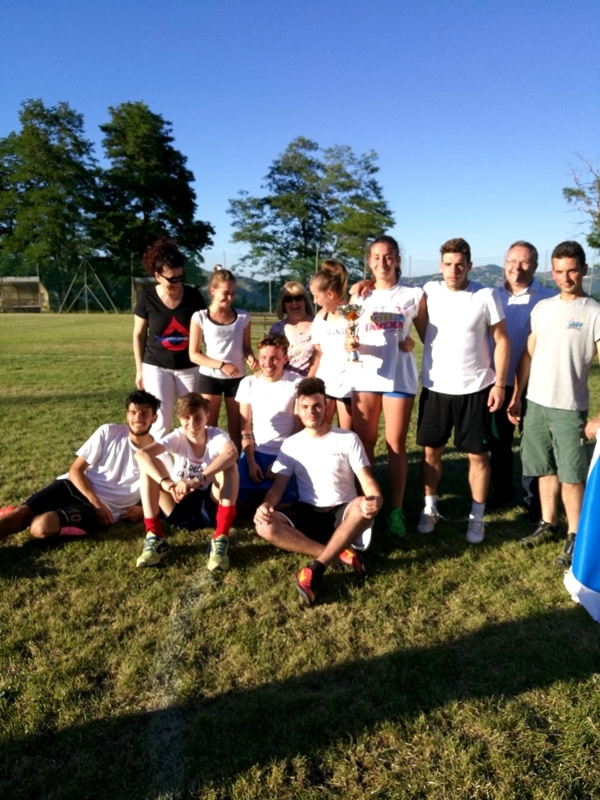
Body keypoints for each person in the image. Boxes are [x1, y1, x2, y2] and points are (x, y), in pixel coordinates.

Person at [507, 241, 600, 566]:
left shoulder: (594, 312)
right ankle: (548, 523)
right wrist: (517, 396)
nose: (566, 277)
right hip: (535, 403)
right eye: (559, 271)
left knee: (571, 474)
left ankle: (575, 534)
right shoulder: (542, 308)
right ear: (552, 272)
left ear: (584, 270)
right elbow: (528, 354)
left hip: (568, 408)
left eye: (572, 270)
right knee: (543, 468)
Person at [253, 377, 383, 606]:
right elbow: (277, 489)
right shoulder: (290, 445)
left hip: (343, 513)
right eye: (305, 407)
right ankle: (338, 552)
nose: (311, 412)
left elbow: (367, 480)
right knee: (264, 526)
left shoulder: (347, 438)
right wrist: (265, 506)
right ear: (297, 409)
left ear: (326, 407)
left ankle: (316, 568)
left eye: (317, 406)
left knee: (362, 506)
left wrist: (376, 499)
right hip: (307, 512)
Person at [416, 237, 509, 543]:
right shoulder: (429, 291)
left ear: (469, 265)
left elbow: (502, 340)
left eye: (459, 265)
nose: (453, 270)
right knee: (431, 452)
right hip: (436, 388)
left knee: (478, 456)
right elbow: (408, 311)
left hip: (476, 389)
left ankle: (477, 518)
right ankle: (429, 509)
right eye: (448, 264)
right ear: (440, 265)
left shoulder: (486, 295)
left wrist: (498, 383)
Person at [0, 390, 161, 544]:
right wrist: (96, 502)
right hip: (74, 486)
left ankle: (37, 517)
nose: (138, 418)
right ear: (127, 415)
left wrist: (142, 510)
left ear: (154, 417)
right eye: (133, 412)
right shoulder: (109, 432)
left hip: (101, 509)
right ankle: (23, 515)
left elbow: (165, 495)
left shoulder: (158, 454)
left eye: (145, 413)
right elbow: (75, 470)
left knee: (41, 527)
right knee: (20, 514)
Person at [348, 235, 427, 539]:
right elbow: (348, 334)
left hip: (399, 377)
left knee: (395, 444)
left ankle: (396, 509)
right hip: (365, 376)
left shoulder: (413, 295)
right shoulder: (359, 296)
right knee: (364, 443)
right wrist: (349, 343)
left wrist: (411, 342)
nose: (383, 262)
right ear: (369, 262)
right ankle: (364, 505)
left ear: (397, 260)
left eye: (388, 256)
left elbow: (426, 336)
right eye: (377, 257)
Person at [134, 393, 239, 571]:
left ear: (207, 416)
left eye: (197, 417)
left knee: (229, 466)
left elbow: (232, 453)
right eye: (186, 418)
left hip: (210, 504)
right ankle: (154, 536)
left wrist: (198, 479)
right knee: (147, 467)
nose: (192, 424)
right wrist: (167, 484)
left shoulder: (216, 436)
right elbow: (141, 454)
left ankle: (221, 537)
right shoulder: (178, 436)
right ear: (179, 418)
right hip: (179, 501)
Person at [489, 241, 556, 513]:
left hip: (535, 385)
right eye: (512, 261)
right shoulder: (491, 295)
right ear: (505, 263)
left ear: (536, 266)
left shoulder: (548, 299)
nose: (517, 267)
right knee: (499, 444)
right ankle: (502, 494)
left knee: (534, 444)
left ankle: (534, 502)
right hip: (498, 383)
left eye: (525, 262)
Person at [133, 239, 206, 439]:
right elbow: (139, 334)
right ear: (158, 276)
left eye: (181, 277)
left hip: (189, 366)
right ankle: (158, 459)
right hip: (156, 366)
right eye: (172, 279)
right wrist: (139, 370)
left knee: (192, 419)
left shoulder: (193, 296)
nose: (178, 283)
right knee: (160, 422)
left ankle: (190, 458)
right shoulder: (147, 298)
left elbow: (206, 329)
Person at [189, 267, 258, 453]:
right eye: (226, 293)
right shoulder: (200, 317)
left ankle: (236, 464)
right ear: (213, 290)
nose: (230, 298)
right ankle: (209, 463)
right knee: (208, 426)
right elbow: (194, 354)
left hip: (236, 379)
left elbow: (246, 347)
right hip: (210, 378)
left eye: (233, 293)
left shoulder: (243, 317)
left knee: (236, 427)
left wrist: (250, 358)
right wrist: (222, 365)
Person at [236, 333, 301, 510]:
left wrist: (281, 460)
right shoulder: (248, 383)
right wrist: (251, 461)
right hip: (256, 452)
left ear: (285, 358)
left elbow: (299, 428)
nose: (268, 363)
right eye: (264, 357)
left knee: (284, 506)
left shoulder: (296, 383)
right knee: (239, 503)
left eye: (274, 358)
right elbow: (245, 428)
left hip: (286, 453)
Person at [308, 260, 353, 429]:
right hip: (325, 383)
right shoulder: (320, 317)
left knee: (346, 433)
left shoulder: (352, 313)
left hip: (348, 385)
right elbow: (318, 353)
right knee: (319, 430)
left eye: (316, 296)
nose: (314, 301)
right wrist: (308, 381)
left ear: (330, 294)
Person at [270, 281, 315, 376]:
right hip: (284, 381)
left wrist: (309, 380)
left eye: (298, 298)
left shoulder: (319, 324)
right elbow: (270, 357)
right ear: (283, 304)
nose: (294, 302)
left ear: (305, 301)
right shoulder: (277, 329)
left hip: (313, 381)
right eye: (288, 299)